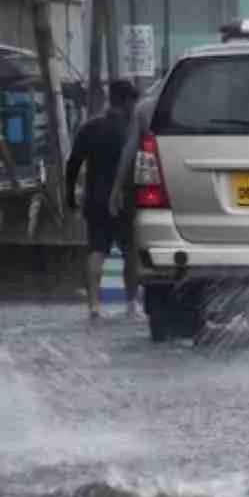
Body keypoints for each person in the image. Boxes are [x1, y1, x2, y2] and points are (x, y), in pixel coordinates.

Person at [66, 80, 140, 320]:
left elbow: (73, 164)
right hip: (126, 199)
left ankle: (94, 305)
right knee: (130, 252)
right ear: (128, 101)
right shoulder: (132, 129)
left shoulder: (90, 127)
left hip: (95, 198)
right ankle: (131, 304)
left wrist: (69, 194)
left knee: (96, 250)